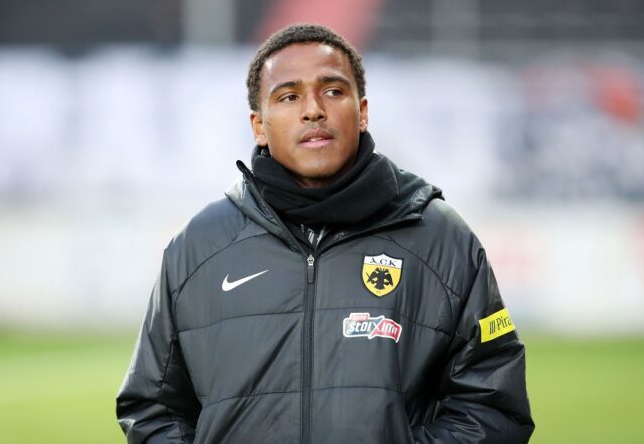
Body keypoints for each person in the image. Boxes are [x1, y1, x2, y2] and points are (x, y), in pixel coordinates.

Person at [116, 23, 534, 443]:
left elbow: (493, 408)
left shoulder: (440, 238)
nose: (313, 110)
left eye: (333, 91)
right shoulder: (198, 248)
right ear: (259, 125)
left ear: (362, 112)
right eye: (289, 96)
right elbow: (153, 410)